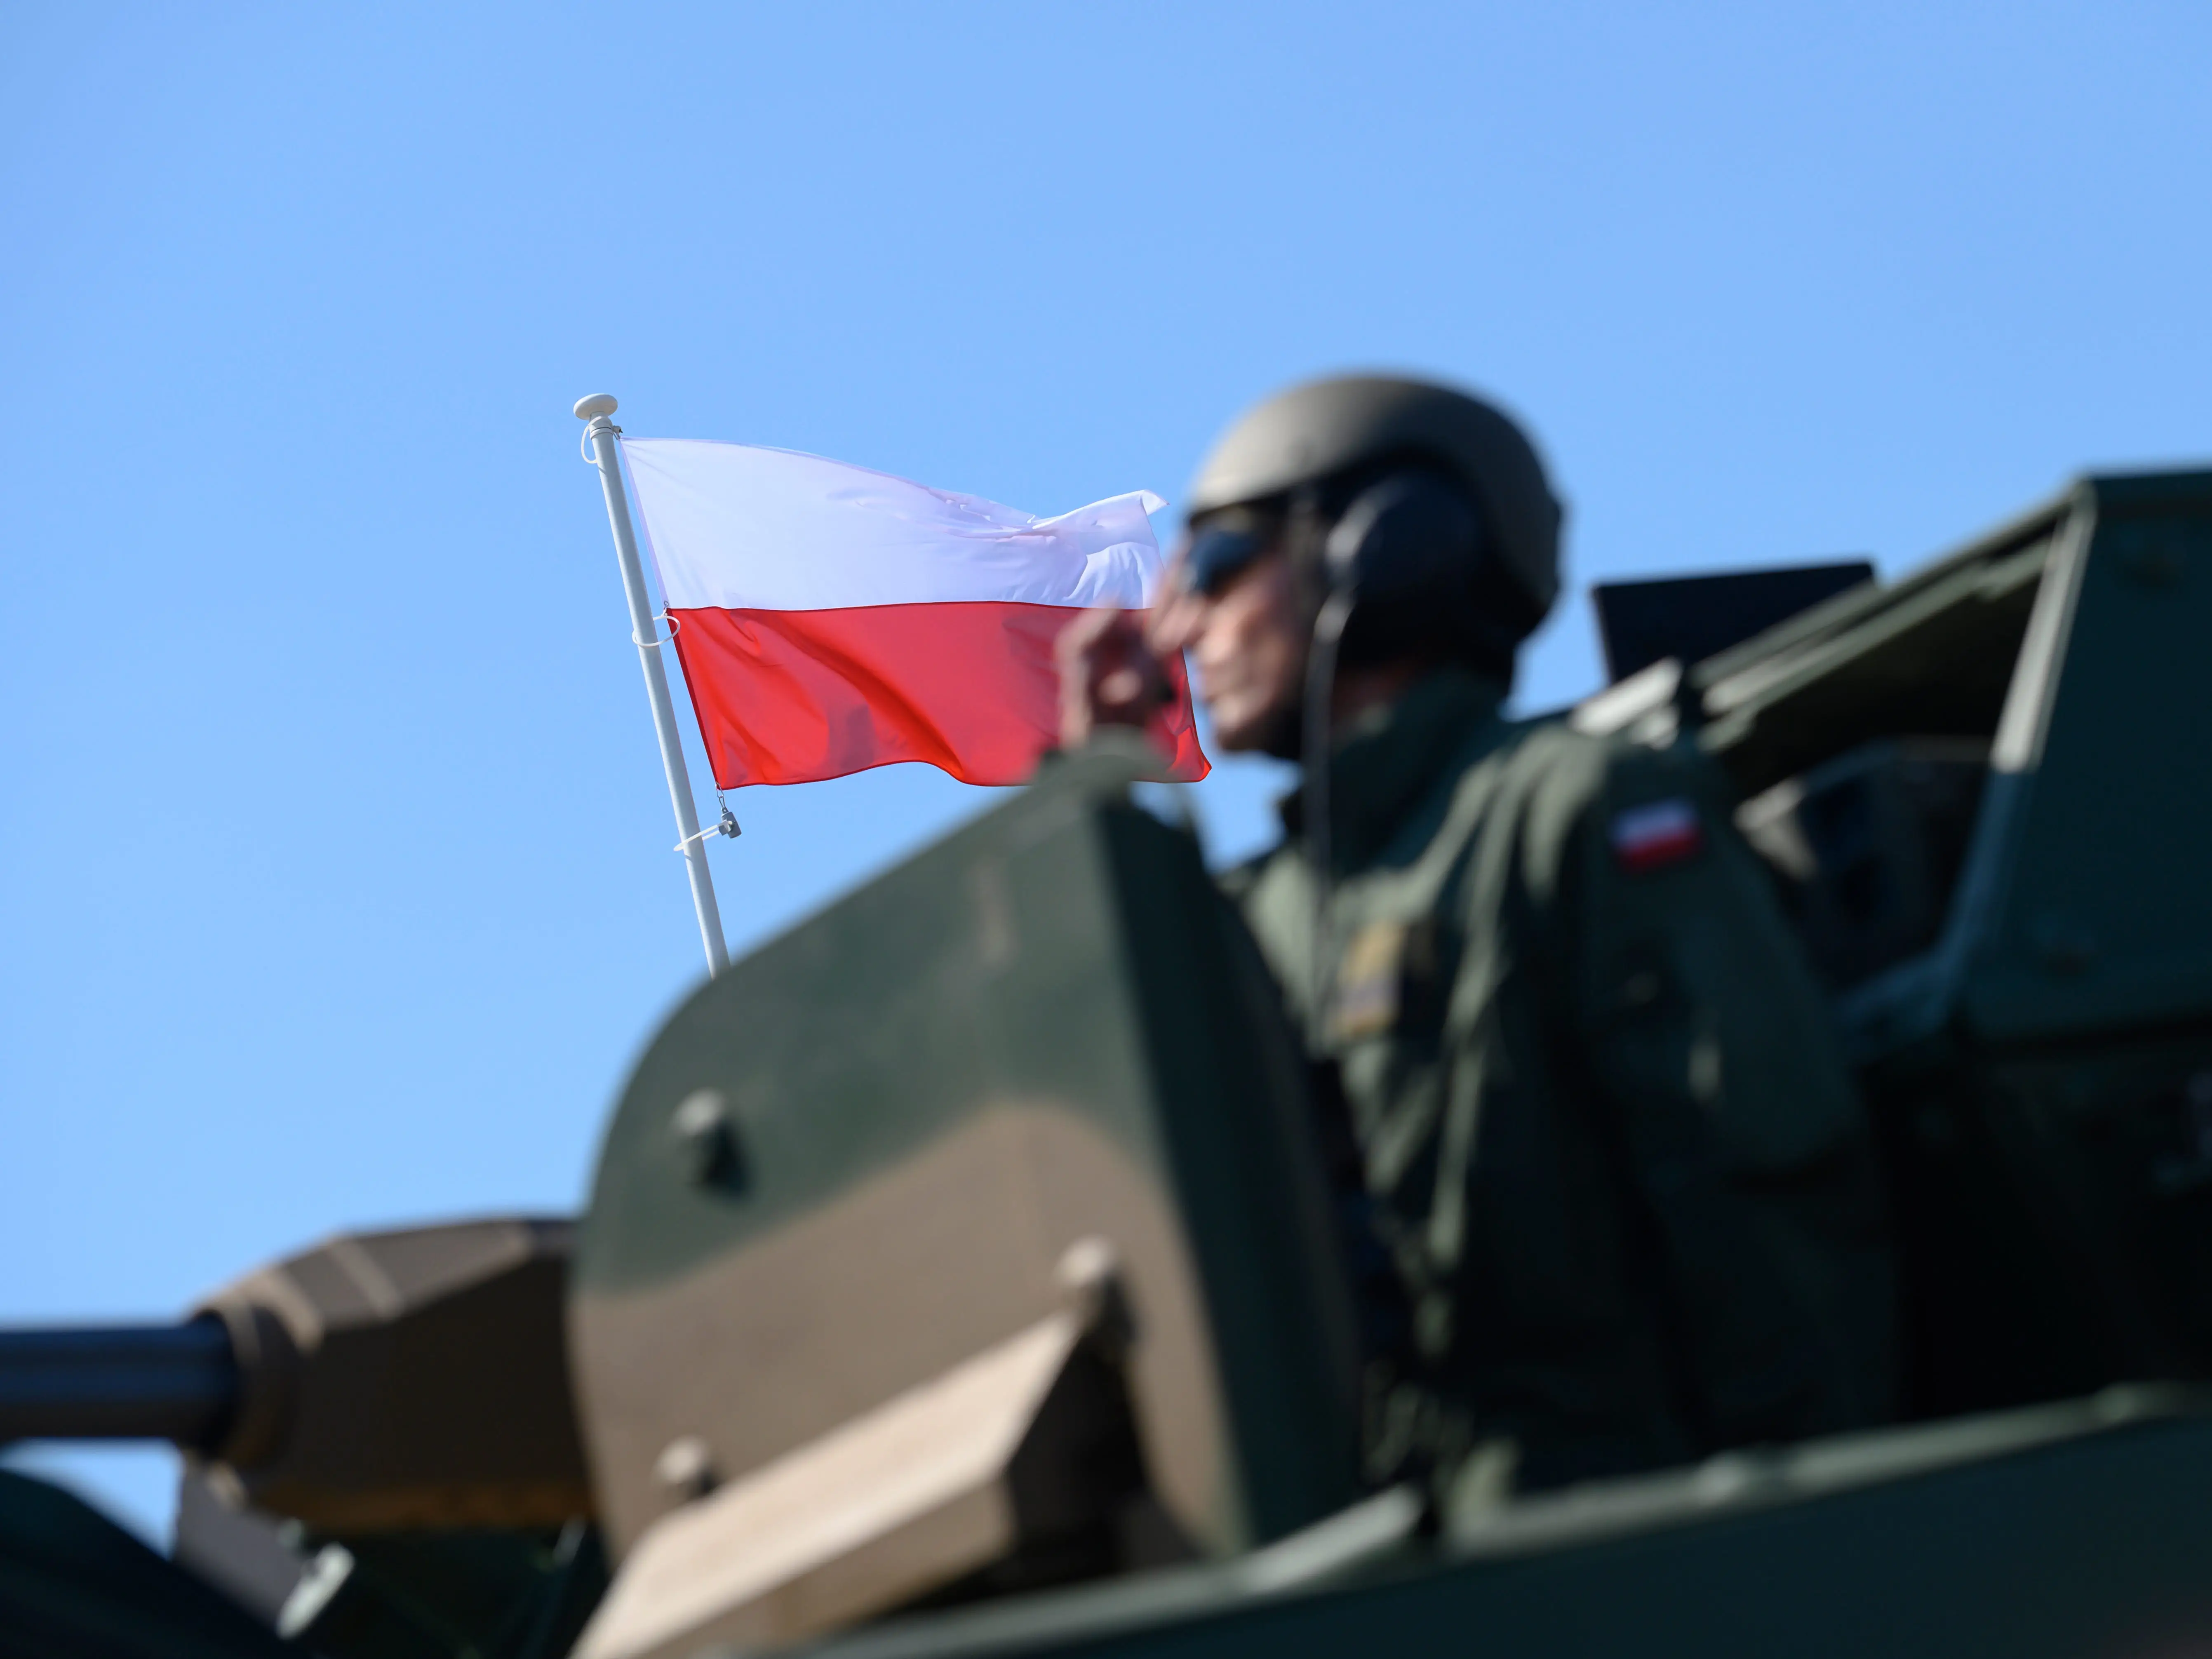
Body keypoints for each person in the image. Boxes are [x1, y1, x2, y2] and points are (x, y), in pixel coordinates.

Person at [1058, 374, 1894, 1501]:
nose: (1177, 625)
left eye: (1214, 565)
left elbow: (1766, 1214)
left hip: (1611, 1535)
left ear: (1388, 551)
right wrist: (1092, 801)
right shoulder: (1261, 912)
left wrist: (1812, 1543)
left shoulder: (1572, 814)